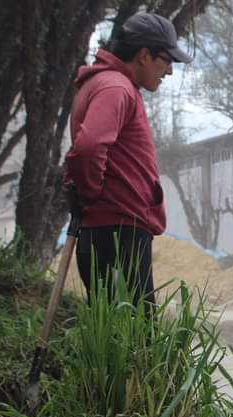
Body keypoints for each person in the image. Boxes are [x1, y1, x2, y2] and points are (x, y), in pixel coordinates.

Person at [64, 12, 192, 306]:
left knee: (118, 334)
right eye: (167, 60)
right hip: (118, 232)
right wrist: (92, 191)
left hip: (112, 229)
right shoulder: (116, 88)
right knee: (137, 338)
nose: (169, 71)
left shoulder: (106, 85)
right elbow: (89, 147)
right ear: (144, 55)